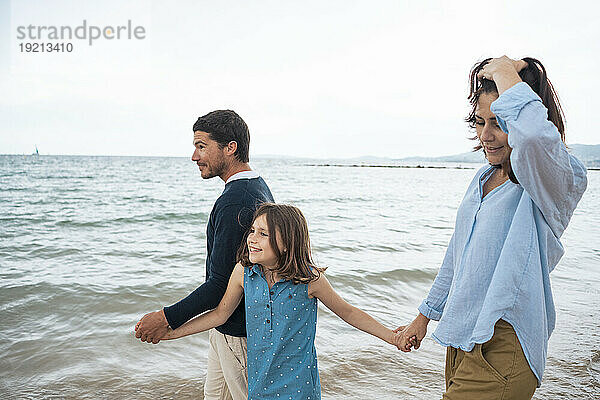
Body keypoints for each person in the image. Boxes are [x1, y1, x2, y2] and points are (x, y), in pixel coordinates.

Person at [397, 56, 587, 399]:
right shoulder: (482, 180)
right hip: (462, 338)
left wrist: (503, 69)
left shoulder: (554, 181)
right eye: (480, 122)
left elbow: (532, 138)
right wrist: (423, 318)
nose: (486, 135)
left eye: (499, 122)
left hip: (504, 346)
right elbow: (457, 259)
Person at [160, 203, 404, 400]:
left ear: (287, 244)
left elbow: (349, 313)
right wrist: (172, 332)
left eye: (263, 234)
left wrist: (392, 337)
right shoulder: (244, 273)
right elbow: (219, 315)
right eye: (252, 230)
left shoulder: (309, 279)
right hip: (259, 386)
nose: (252, 239)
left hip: (299, 388)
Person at [134, 110, 274, 400]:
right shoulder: (254, 187)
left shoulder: (237, 200)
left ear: (230, 147)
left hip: (240, 333)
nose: (194, 156)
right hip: (229, 327)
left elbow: (221, 283)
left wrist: (166, 318)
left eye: (201, 146)